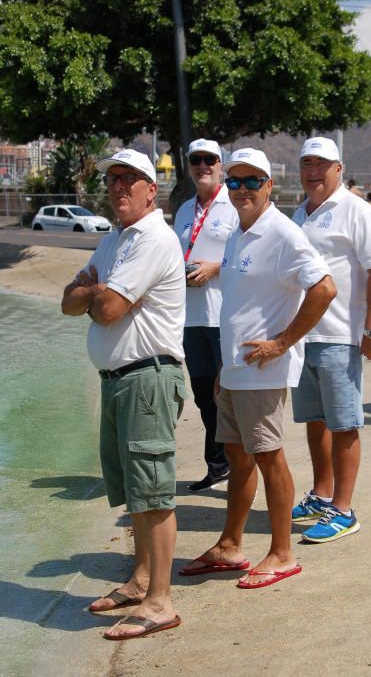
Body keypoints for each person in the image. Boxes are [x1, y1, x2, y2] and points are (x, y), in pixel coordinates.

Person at [180, 148, 336, 588]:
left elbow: (324, 289)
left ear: (270, 185)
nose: (242, 189)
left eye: (252, 182)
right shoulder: (237, 233)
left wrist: (281, 343)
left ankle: (282, 553)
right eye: (235, 181)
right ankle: (230, 544)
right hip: (235, 371)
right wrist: (224, 374)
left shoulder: (283, 234)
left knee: (268, 456)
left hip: (262, 371)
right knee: (237, 456)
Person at [61, 149, 187, 640]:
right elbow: (68, 303)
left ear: (150, 190)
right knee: (135, 493)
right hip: (118, 381)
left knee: (153, 493)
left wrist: (94, 291)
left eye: (130, 179)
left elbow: (107, 307)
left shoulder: (153, 239)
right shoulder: (115, 239)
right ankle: (139, 581)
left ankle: (160, 601)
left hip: (147, 379)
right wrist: (92, 293)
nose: (119, 187)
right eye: (113, 179)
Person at [292, 137, 371, 543]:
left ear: (339, 167)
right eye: (307, 164)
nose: (314, 172)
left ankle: (344, 510)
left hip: (339, 335)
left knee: (345, 423)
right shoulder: (301, 212)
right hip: (304, 335)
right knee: (316, 421)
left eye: (322, 164)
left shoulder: (358, 211)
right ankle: (323, 492)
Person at [174, 139, 237, 492]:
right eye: (196, 160)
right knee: (202, 395)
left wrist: (216, 268)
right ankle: (217, 466)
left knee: (226, 394)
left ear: (220, 164)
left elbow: (249, 256)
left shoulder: (233, 206)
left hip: (222, 316)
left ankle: (237, 465)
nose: (202, 166)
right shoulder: (184, 210)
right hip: (190, 317)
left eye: (209, 160)